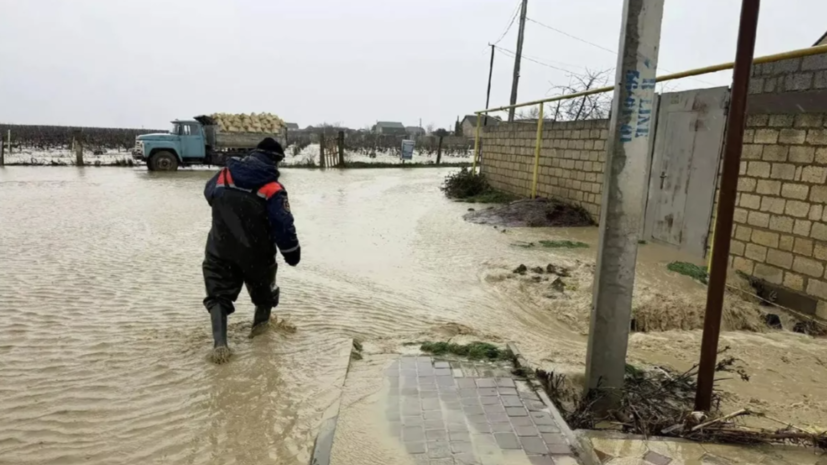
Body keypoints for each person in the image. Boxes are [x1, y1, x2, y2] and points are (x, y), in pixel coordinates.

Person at [202, 137, 300, 364]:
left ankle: (220, 346)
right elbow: (283, 225)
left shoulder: (222, 176)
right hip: (257, 254)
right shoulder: (273, 188)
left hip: (219, 248)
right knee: (265, 296)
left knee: (218, 294)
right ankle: (260, 343)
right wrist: (292, 253)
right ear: (275, 162)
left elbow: (209, 195)